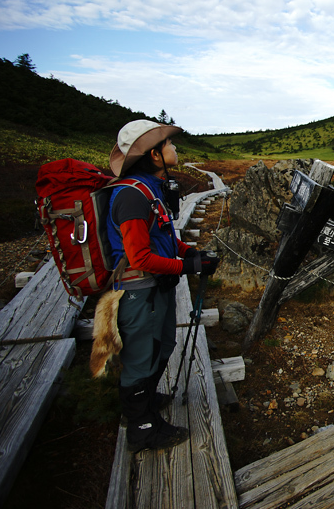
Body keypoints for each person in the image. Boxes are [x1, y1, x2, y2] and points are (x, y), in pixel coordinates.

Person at [107, 119, 219, 452]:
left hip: (156, 288)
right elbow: (139, 257)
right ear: (155, 155)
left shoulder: (149, 189)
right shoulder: (131, 196)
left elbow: (163, 238)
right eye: (169, 145)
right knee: (142, 356)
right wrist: (188, 266)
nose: (175, 149)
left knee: (163, 345)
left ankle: (144, 401)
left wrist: (190, 253)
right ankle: (141, 428)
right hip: (138, 291)